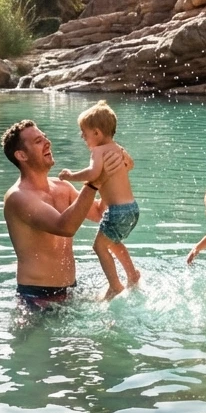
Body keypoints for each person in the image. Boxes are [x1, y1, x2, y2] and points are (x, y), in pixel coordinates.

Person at [1, 119, 123, 310]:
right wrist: (94, 183)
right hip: (36, 297)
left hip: (70, 291)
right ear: (21, 155)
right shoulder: (18, 197)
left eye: (45, 137)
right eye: (38, 141)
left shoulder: (63, 187)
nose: (47, 142)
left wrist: (111, 173)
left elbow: (99, 212)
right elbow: (64, 227)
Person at [58, 101, 140, 300]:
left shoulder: (98, 151)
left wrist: (70, 175)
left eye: (84, 133)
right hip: (132, 209)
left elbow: (93, 173)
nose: (82, 137)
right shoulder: (118, 148)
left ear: (96, 133)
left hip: (116, 211)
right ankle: (133, 275)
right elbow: (130, 165)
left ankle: (115, 286)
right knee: (113, 241)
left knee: (99, 246)